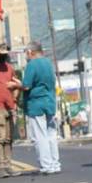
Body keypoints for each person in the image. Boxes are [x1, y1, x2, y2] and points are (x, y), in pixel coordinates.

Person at [21, 41, 61, 174]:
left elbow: (26, 85)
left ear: (30, 52)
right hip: (50, 102)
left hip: (36, 104)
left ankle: (46, 166)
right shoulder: (48, 63)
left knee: (40, 136)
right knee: (51, 135)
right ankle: (55, 164)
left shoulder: (31, 65)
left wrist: (16, 85)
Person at [0, 43, 20, 178]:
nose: (3, 57)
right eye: (1, 54)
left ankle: (8, 165)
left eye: (4, 55)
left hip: (9, 108)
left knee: (8, 138)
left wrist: (15, 100)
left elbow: (17, 84)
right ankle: (1, 167)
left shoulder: (9, 68)